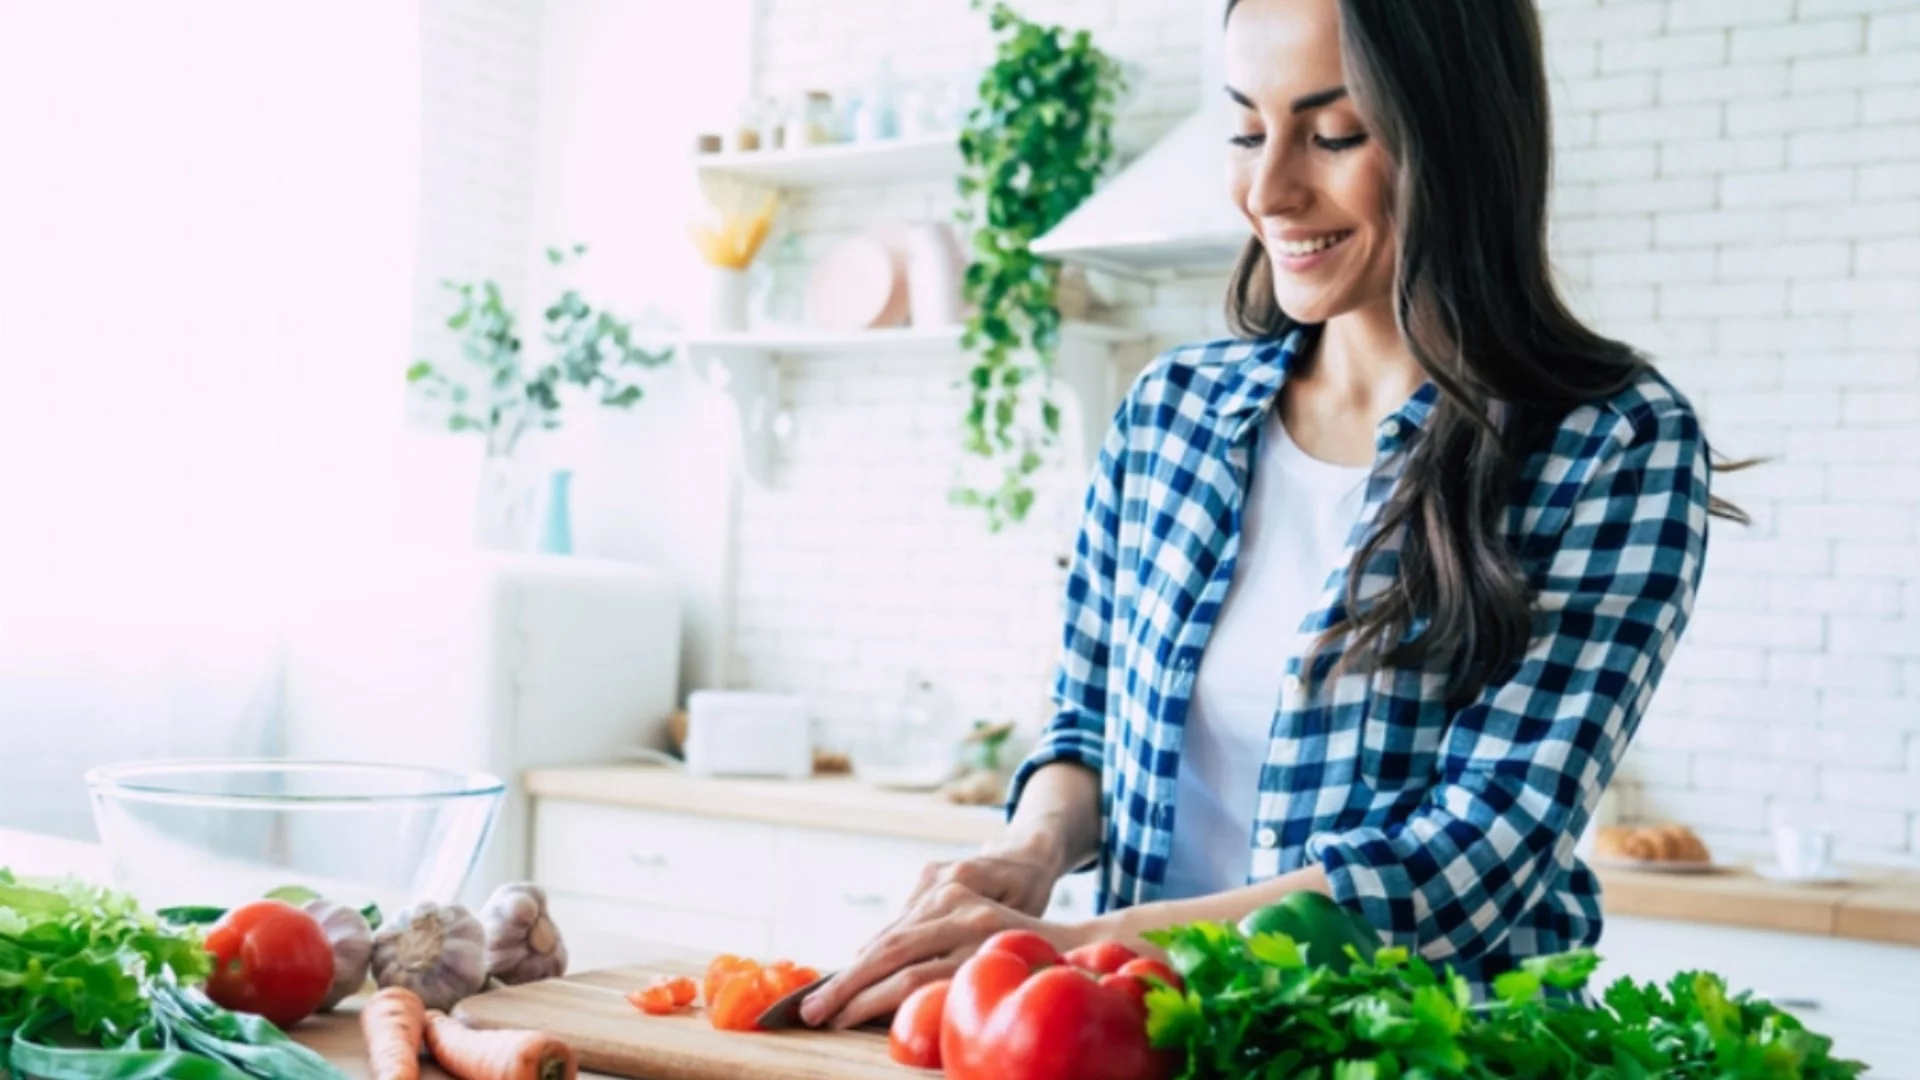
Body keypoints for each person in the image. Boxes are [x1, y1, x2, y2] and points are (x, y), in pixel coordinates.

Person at [801, 0, 1742, 1029]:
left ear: (1462, 136)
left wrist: (1084, 947)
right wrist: (1029, 852)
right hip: (1143, 1037)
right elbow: (1086, 725)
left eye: (1334, 134)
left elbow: (1478, 855)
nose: (1268, 188)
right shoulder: (1172, 412)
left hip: (1425, 1049)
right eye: (1247, 130)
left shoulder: (1608, 443)